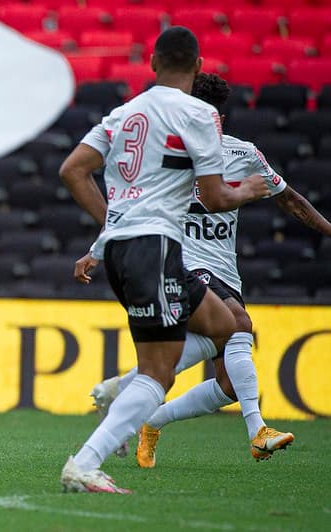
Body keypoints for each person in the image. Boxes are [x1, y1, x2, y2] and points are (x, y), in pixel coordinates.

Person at [56, 27, 270, 494]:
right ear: (197, 67)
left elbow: (72, 170)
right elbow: (214, 198)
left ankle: (119, 388)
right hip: (153, 247)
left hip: (126, 249)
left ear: (152, 64)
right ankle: (86, 463)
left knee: (229, 324)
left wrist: (112, 222)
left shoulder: (122, 113)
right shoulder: (200, 113)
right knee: (160, 371)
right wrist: (248, 190)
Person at [89, 72, 331, 468]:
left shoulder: (243, 154)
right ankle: (258, 432)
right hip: (180, 263)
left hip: (224, 270)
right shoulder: (164, 155)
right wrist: (99, 248)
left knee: (229, 384)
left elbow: (291, 201)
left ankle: (142, 412)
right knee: (239, 323)